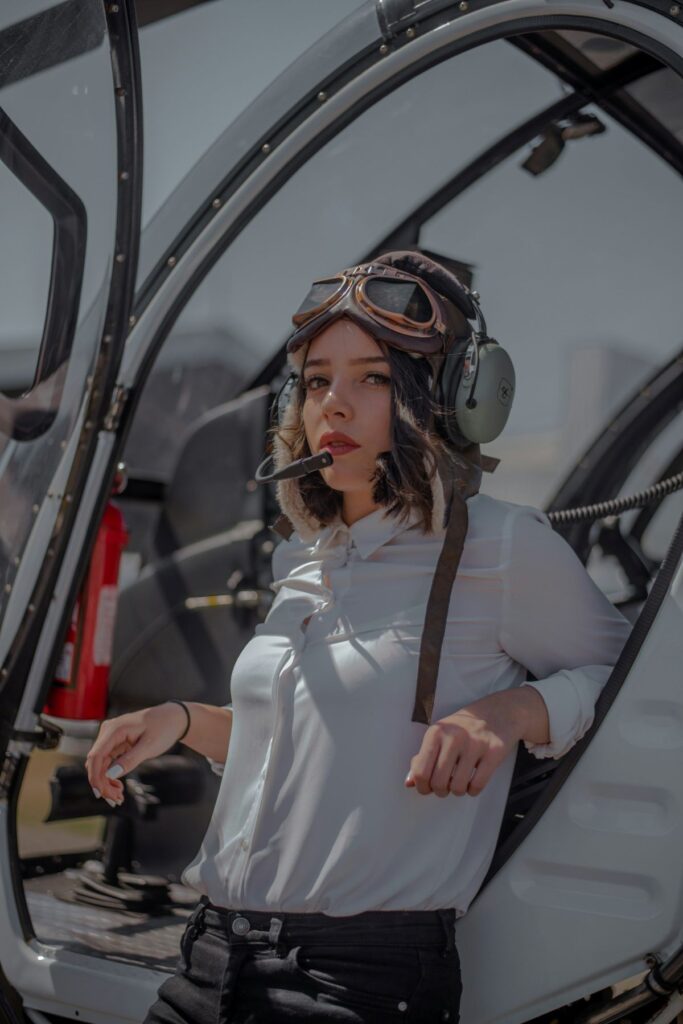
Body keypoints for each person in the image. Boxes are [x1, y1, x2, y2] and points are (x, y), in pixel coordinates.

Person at [85, 251, 632, 1023]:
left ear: (449, 396)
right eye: (315, 382)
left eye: (372, 377)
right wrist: (178, 721)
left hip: (357, 984)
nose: (331, 406)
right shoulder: (305, 557)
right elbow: (309, 742)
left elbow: (633, 687)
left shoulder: (503, 547)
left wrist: (511, 712)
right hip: (209, 959)